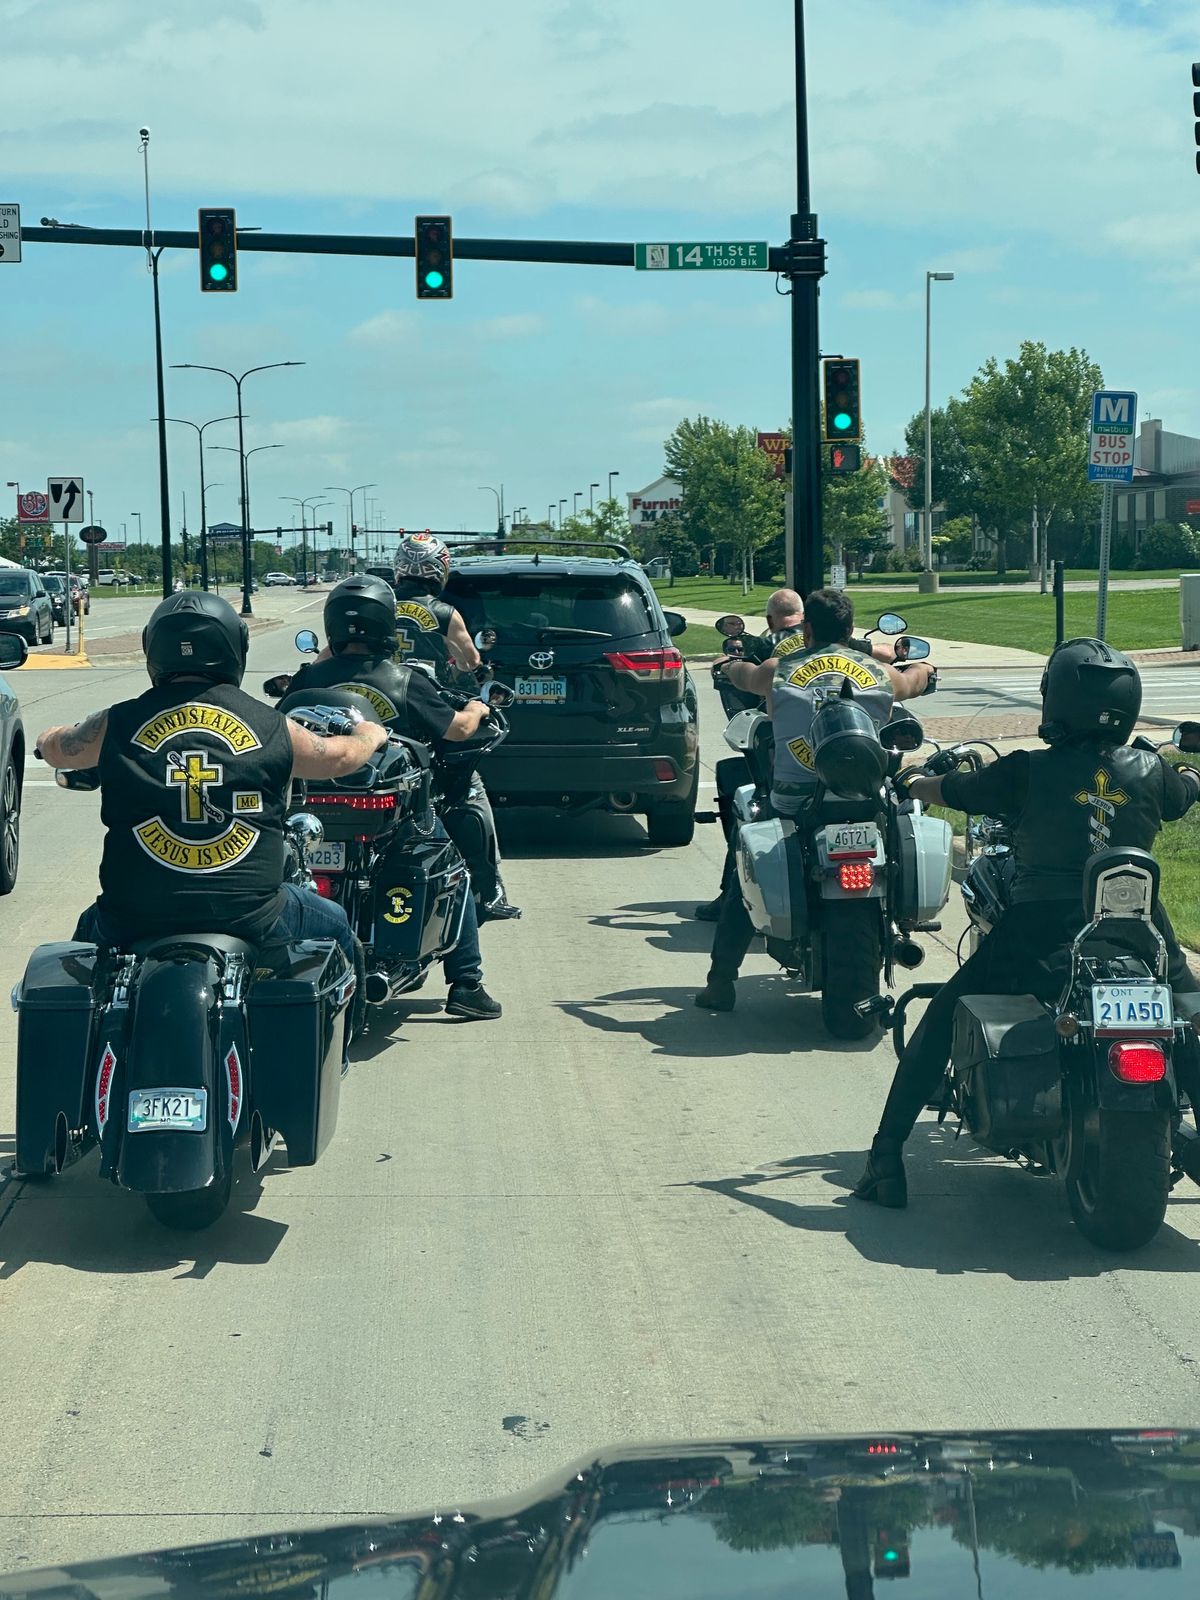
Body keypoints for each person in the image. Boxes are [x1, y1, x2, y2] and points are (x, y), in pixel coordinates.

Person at [853, 637, 1200, 1208]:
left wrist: (914, 782)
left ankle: (885, 1159)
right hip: (1141, 932)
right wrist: (1183, 772)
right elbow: (1184, 793)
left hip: (1041, 930)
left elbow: (956, 789)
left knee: (940, 1020)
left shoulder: (1025, 771)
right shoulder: (1151, 772)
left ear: (1057, 699)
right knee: (1188, 1015)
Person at [34, 591, 384, 1022]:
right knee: (336, 926)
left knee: (81, 966)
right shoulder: (272, 725)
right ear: (235, 647)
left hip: (132, 916)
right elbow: (338, 757)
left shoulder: (116, 722)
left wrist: (46, 737)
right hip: (253, 916)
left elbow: (61, 748)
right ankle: (346, 1037)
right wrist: (370, 733)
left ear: (153, 648)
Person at [695, 587, 935, 1011]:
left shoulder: (779, 669)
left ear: (806, 629)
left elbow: (745, 677)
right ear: (850, 630)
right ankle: (899, 920)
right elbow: (914, 682)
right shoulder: (878, 672)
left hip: (795, 801)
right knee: (899, 832)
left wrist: (727, 665)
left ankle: (721, 982)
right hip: (865, 798)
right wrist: (925, 667)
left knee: (743, 872)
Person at [281, 576, 506, 1018]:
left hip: (310, 807)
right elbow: (458, 730)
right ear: (386, 622)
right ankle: (466, 984)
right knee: (453, 868)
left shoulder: (308, 679)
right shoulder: (405, 679)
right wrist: (478, 707)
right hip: (388, 810)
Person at [390, 533, 480, 683]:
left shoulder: (380, 603)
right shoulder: (445, 614)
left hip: (386, 687)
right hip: (429, 692)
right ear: (441, 568)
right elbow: (471, 661)